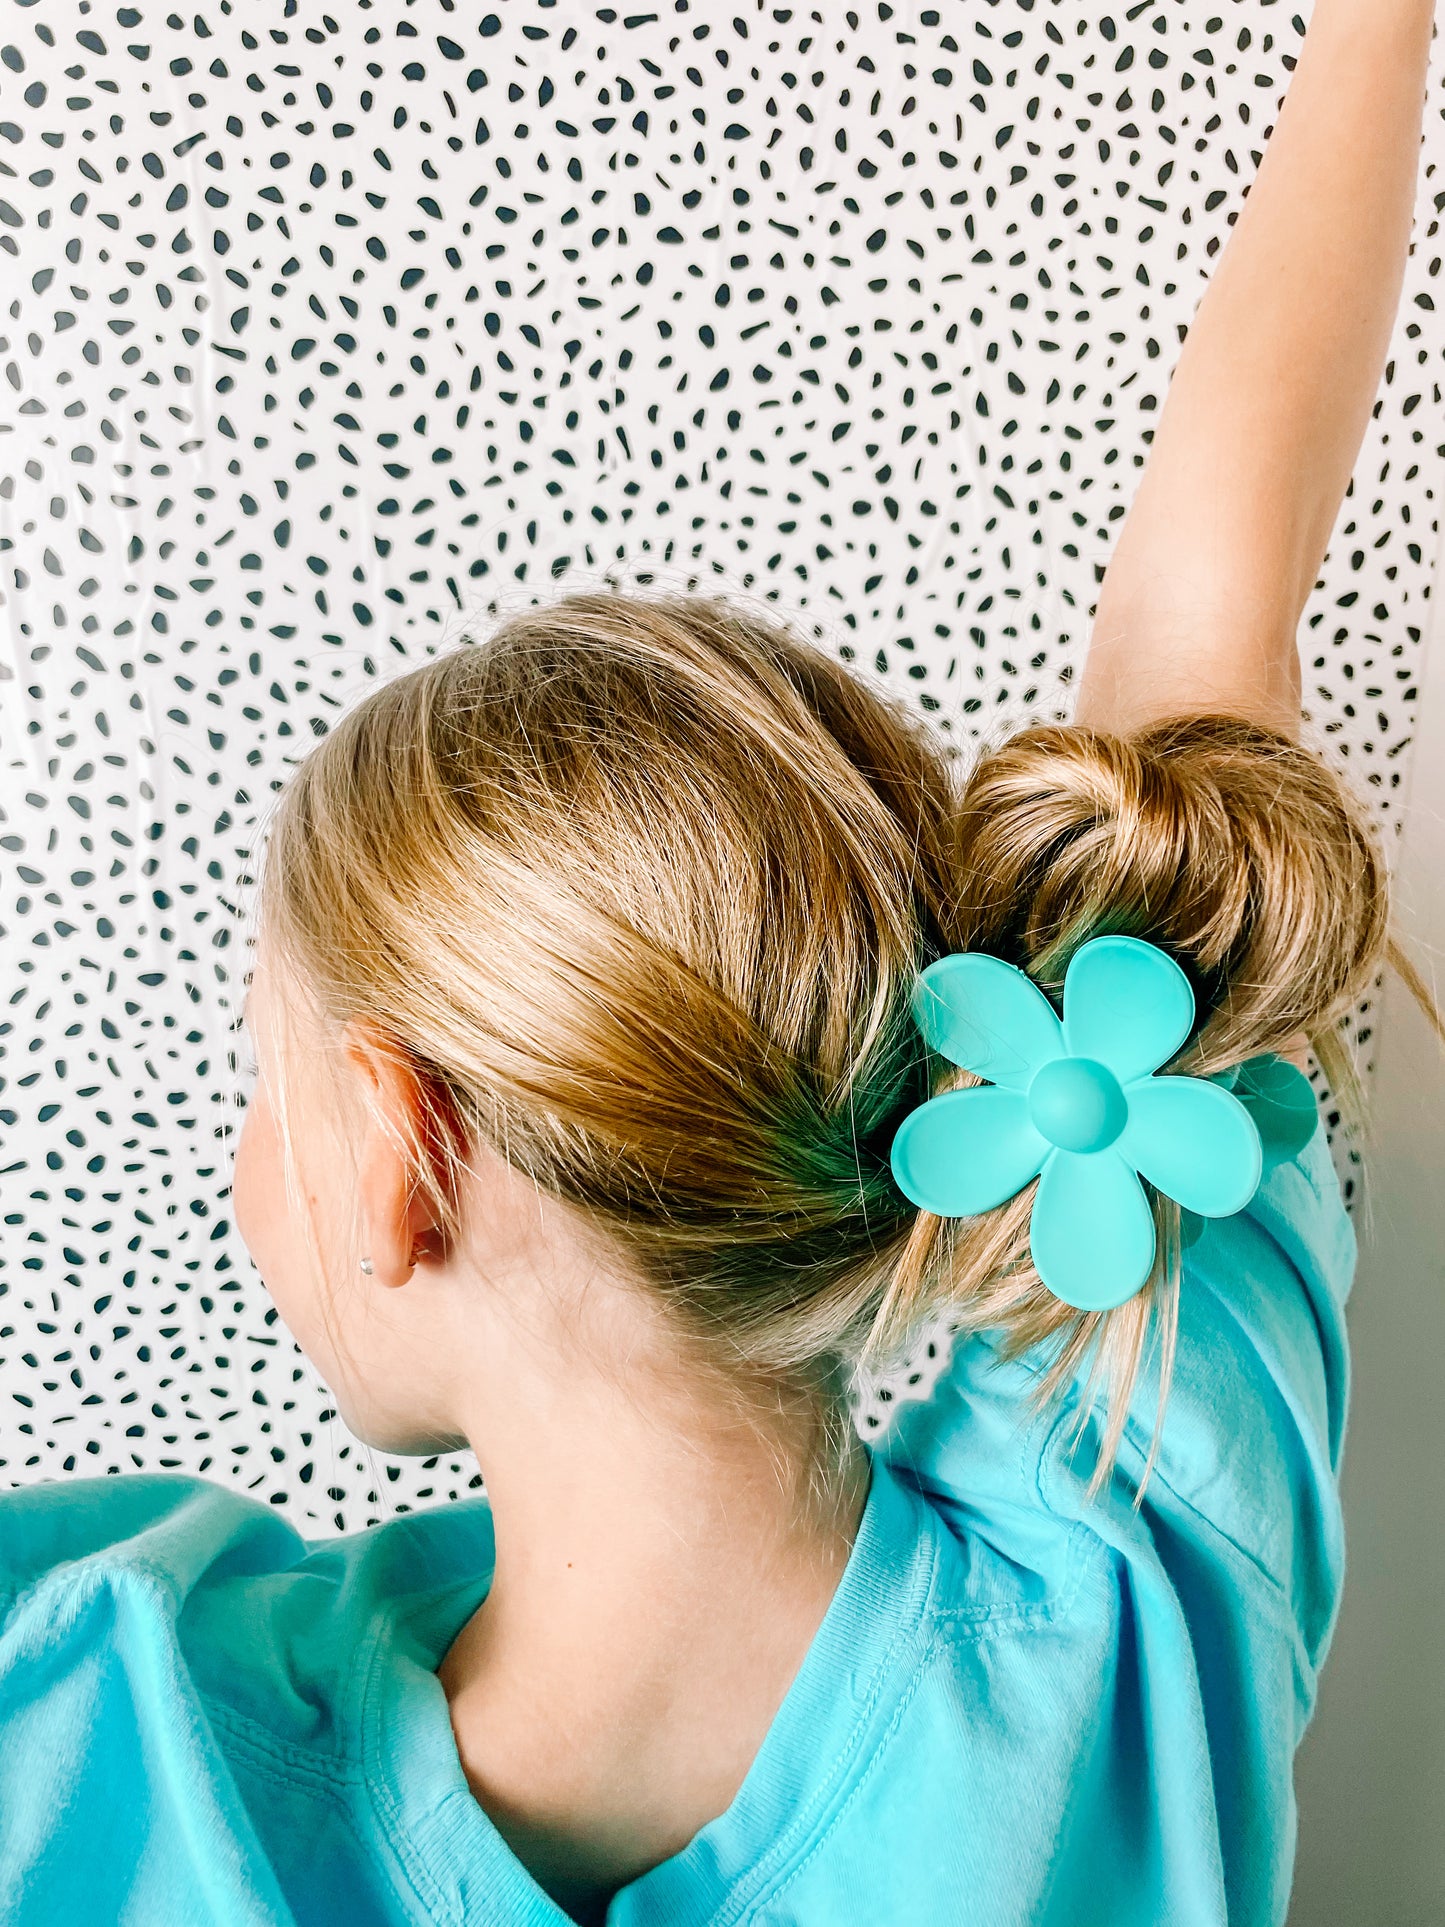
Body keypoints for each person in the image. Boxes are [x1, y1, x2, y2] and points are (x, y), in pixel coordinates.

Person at [2, 3, 1441, 1923]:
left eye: (264, 1088)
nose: (236, 1166)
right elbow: (1207, 638)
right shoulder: (1136, 1556)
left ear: (397, 1146)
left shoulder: (83, 1706)